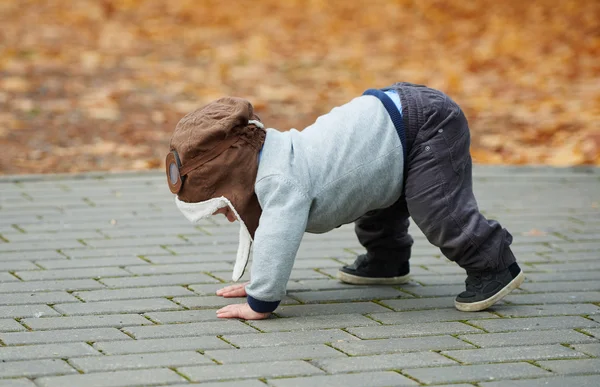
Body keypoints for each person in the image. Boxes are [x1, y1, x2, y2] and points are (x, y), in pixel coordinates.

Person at [166, 82, 524, 320]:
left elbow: (277, 238)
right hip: (390, 133)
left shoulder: (278, 180)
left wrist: (261, 298)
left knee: (435, 205)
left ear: (234, 180)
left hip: (425, 123)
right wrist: (260, 277)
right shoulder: (272, 154)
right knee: (372, 199)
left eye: (224, 207)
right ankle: (388, 261)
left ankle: (493, 264)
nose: (229, 217)